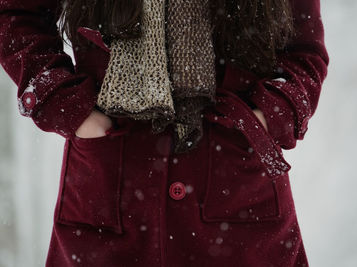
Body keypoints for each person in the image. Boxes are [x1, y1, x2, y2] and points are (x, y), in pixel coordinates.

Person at [0, 0, 329, 266]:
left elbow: (305, 50)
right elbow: (15, 15)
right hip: (112, 187)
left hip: (239, 197)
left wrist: (269, 115)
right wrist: (70, 106)